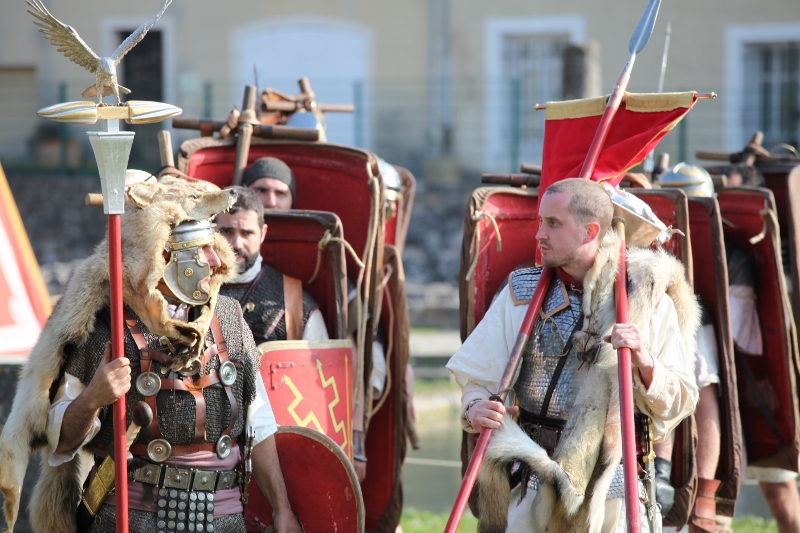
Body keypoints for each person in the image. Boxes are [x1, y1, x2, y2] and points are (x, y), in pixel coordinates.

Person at [0, 177, 302, 533]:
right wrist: (93, 398)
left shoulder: (230, 318)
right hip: (133, 516)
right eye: (200, 250)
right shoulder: (107, 325)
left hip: (223, 519)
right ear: (163, 256)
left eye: (213, 246)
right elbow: (61, 443)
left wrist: (282, 508)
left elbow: (258, 423)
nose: (215, 261)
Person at [447, 178, 699, 532]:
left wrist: (643, 360)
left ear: (589, 231)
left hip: (611, 490)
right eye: (540, 221)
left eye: (553, 223)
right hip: (529, 483)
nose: (539, 234)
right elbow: (478, 377)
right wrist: (475, 407)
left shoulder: (646, 304)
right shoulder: (522, 291)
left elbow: (682, 399)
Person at [659, 164, 800, 533]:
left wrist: (695, 318)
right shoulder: (655, 250)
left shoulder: (732, 257)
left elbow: (741, 339)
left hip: (731, 402)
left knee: (747, 506)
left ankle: (706, 499)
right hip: (666, 401)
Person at [217, 186, 328, 343]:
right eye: (227, 232)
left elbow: (318, 359)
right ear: (212, 231)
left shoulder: (295, 303)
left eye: (247, 233)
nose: (237, 244)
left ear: (262, 234)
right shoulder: (189, 294)